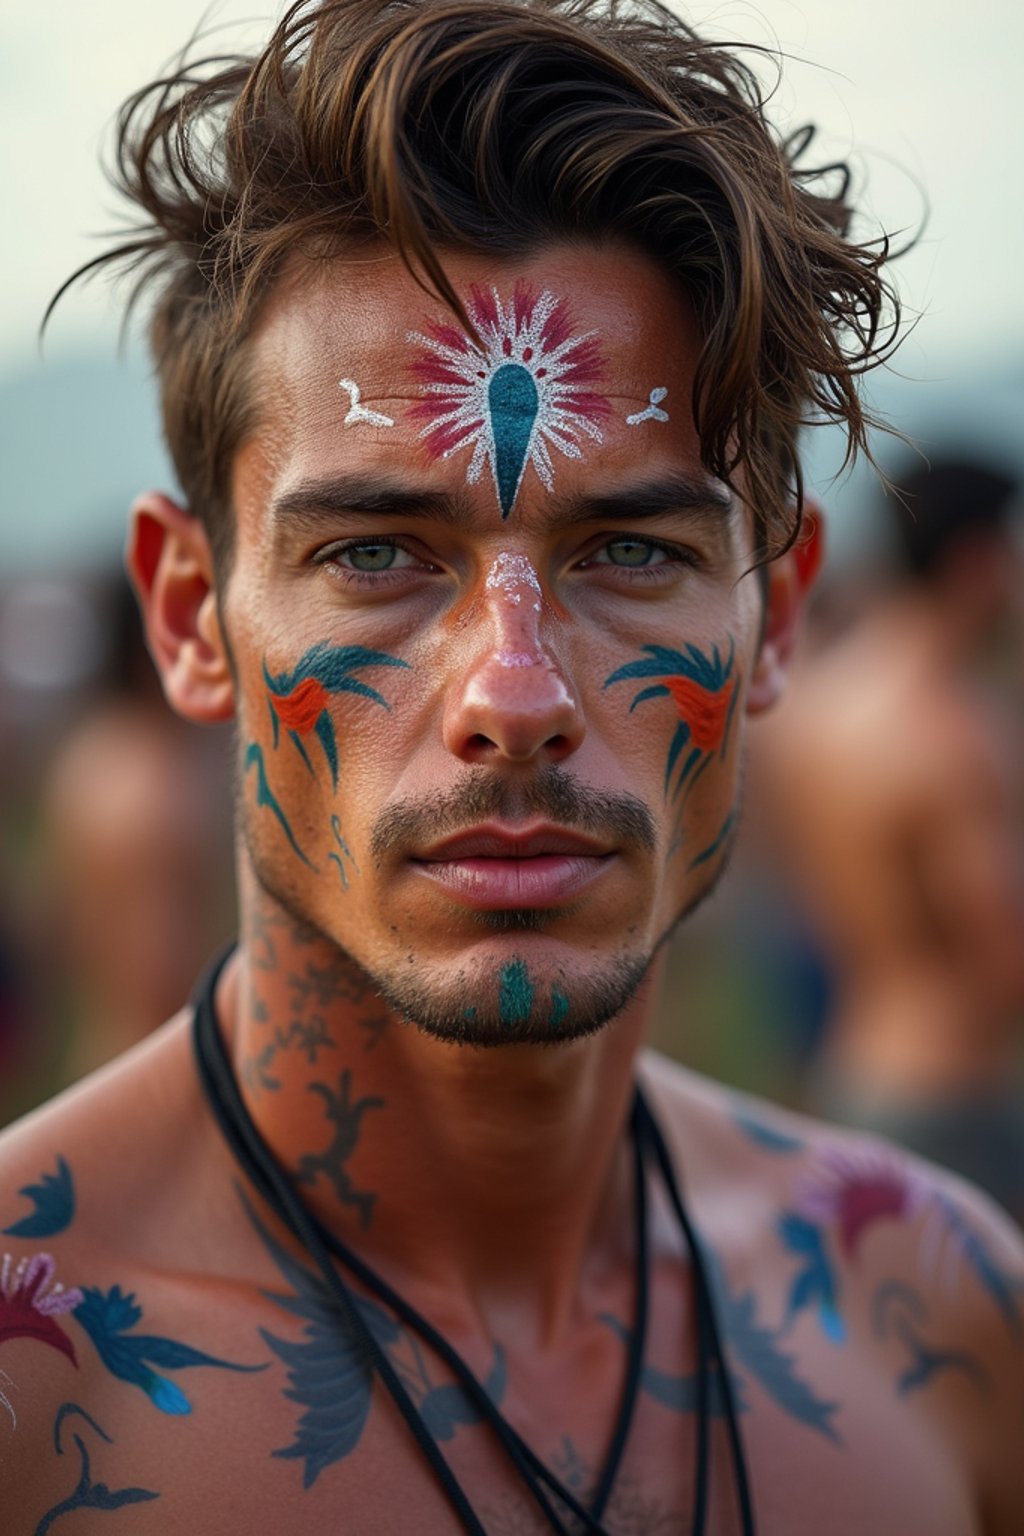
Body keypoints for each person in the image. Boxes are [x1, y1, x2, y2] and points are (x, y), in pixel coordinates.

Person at [1, 3, 1020, 1531]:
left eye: (630, 549)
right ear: (189, 613)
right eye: (374, 554)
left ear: (780, 612)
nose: (517, 694)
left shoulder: (939, 1321)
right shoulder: (38, 1385)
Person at [754, 456, 1024, 1221]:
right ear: (975, 562)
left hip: (849, 1067)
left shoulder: (822, 707)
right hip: (951, 1098)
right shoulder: (951, 737)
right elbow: (1006, 966)